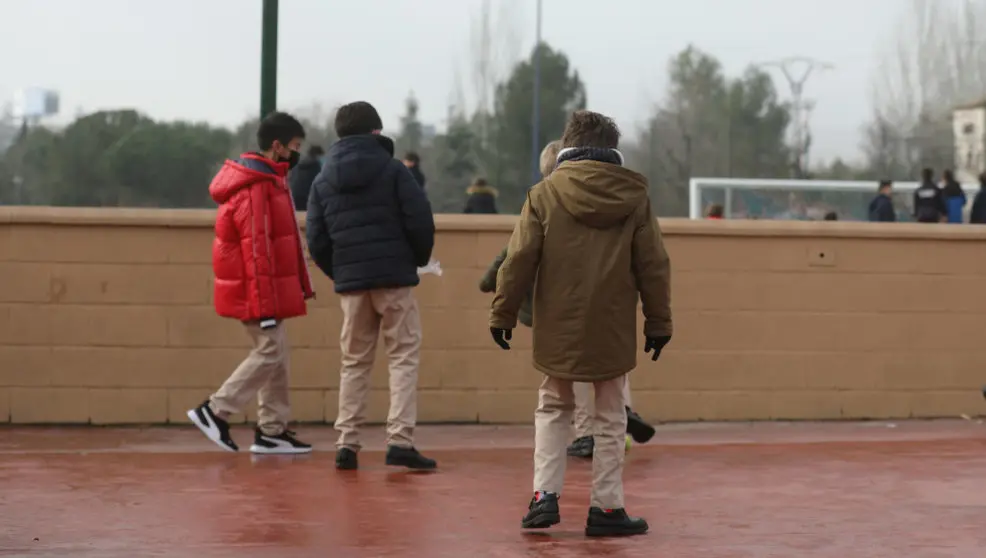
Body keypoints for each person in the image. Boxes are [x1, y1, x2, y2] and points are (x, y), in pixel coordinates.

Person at [490, 110, 672, 537]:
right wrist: (658, 322)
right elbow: (653, 265)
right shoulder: (635, 197)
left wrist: (503, 312)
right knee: (610, 415)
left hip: (558, 322)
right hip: (613, 324)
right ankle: (607, 508)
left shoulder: (543, 194)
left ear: (568, 146)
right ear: (612, 149)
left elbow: (518, 259)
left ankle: (544, 496)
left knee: (553, 406)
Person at [478, 140, 656, 460]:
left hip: (555, 307)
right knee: (610, 366)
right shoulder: (613, 203)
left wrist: (493, 288)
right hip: (602, 303)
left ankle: (585, 435)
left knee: (570, 376)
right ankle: (622, 412)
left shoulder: (544, 201)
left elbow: (513, 254)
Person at [306, 101, 437, 471]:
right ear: (375, 131)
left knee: (354, 362)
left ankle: (346, 443)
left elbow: (316, 237)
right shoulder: (394, 171)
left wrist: (341, 272)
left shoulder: (322, 179)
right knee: (403, 356)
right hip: (394, 278)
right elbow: (420, 219)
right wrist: (415, 260)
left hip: (352, 284)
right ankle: (400, 440)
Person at [187, 111, 315, 454]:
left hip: (264, 290)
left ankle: (272, 431)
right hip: (258, 292)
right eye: (294, 146)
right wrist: (266, 307)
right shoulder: (256, 187)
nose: (296, 153)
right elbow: (257, 251)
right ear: (277, 146)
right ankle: (216, 410)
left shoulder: (269, 181)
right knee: (270, 351)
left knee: (277, 354)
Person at [288, 145, 324, 211]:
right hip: (307, 197)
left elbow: (291, 178)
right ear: (318, 155)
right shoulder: (315, 164)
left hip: (294, 195)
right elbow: (320, 182)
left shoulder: (298, 162)